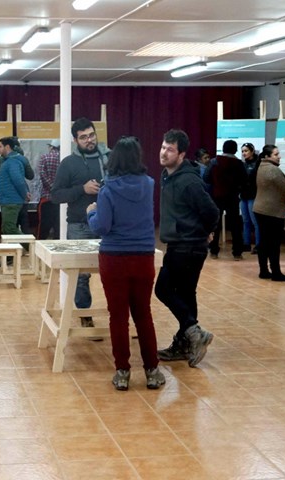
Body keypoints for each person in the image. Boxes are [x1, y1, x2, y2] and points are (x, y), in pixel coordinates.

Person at [86, 136, 163, 390]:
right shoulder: (149, 184)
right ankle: (152, 371)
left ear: (115, 159)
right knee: (143, 314)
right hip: (143, 256)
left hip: (114, 258)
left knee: (118, 316)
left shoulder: (108, 189)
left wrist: (91, 213)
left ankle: (122, 372)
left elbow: (102, 226)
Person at [154, 130, 220, 368]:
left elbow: (211, 211)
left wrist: (207, 230)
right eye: (163, 147)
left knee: (163, 289)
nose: (164, 153)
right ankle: (184, 344)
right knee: (185, 294)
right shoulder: (168, 175)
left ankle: (194, 332)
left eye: (170, 149)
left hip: (188, 245)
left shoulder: (189, 181)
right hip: (180, 243)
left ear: (181, 154)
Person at [51, 118, 108, 331]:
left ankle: (118, 314)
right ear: (75, 140)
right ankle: (85, 315)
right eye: (83, 137)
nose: (89, 140)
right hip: (79, 226)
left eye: (91, 135)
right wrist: (81, 189)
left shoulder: (109, 158)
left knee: (113, 271)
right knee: (81, 276)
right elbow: (56, 195)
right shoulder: (68, 163)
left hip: (108, 225)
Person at [252, 145, 285, 282]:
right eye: (276, 154)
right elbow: (284, 189)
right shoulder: (273, 170)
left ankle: (264, 270)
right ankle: (276, 272)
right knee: (274, 243)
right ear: (267, 156)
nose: (279, 156)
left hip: (260, 209)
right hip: (272, 211)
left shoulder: (261, 166)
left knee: (264, 242)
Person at [205, 140, 248, 259]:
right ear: (235, 150)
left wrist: (216, 184)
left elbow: (206, 178)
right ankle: (237, 253)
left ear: (223, 149)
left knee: (215, 224)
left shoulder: (214, 161)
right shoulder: (239, 163)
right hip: (233, 197)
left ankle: (214, 251)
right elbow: (244, 180)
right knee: (235, 225)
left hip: (217, 196)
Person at [0, 136, 29, 237]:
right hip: (8, 200)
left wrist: (25, 194)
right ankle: (17, 247)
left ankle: (29, 244)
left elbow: (18, 180)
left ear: (7, 147)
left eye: (0, 146)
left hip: (11, 201)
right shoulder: (9, 161)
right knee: (6, 229)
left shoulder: (12, 162)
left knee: (9, 228)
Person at [37, 140, 61, 240]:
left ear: (51, 147)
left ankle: (40, 245)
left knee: (43, 226)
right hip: (61, 199)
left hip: (46, 198)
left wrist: (52, 187)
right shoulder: (65, 158)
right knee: (58, 227)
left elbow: (42, 174)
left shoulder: (44, 157)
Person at [239, 142, 261, 253]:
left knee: (255, 222)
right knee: (245, 221)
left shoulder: (258, 163)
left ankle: (258, 245)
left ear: (252, 151)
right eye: (242, 151)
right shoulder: (242, 164)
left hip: (253, 195)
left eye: (246, 151)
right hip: (244, 196)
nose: (244, 153)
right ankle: (246, 243)